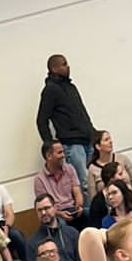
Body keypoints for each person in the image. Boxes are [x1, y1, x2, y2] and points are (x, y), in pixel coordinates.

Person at [35, 54, 95, 197]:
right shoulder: (50, 90)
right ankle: (87, 211)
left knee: (92, 182)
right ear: (54, 68)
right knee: (83, 184)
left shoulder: (71, 87)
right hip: (72, 144)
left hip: (87, 140)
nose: (68, 67)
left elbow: (82, 113)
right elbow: (41, 120)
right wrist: (51, 145)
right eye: (63, 64)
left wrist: (93, 133)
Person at [24, 193, 81, 261]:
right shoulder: (32, 243)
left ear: (55, 208)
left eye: (46, 208)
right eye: (39, 210)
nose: (43, 213)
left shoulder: (72, 233)